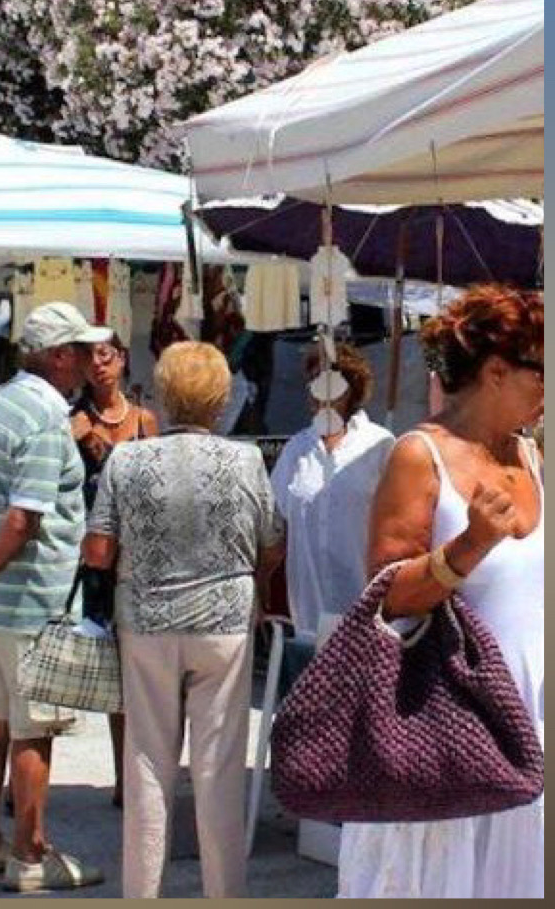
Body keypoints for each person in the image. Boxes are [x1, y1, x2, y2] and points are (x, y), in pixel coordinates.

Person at [340, 286, 544, 899]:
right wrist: (470, 545)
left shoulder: (532, 456)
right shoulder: (418, 454)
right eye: (543, 369)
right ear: (496, 371)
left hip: (534, 712)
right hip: (455, 722)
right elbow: (385, 595)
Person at [82, 342, 283, 899]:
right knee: (219, 769)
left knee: (146, 761)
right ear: (220, 400)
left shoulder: (126, 459)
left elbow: (98, 550)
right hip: (223, 622)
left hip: (146, 621)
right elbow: (272, 539)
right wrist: (255, 584)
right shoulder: (244, 460)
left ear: (164, 397)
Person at [0, 301, 110, 892]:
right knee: (33, 730)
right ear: (60, 356)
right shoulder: (42, 416)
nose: (93, 360)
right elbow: (23, 518)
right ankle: (30, 855)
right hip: (36, 599)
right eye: (85, 350)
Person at [68, 332, 159, 808]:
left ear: (122, 360)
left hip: (141, 564)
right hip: (94, 562)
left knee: (142, 673)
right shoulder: (73, 422)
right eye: (89, 358)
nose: (98, 366)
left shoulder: (145, 421)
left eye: (105, 356)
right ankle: (125, 777)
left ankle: (137, 776)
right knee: (111, 675)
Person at [268, 343, 394, 643]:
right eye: (313, 381)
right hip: (309, 619)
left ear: (351, 388)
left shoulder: (380, 445)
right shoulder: (296, 449)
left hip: (366, 619)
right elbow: (275, 528)